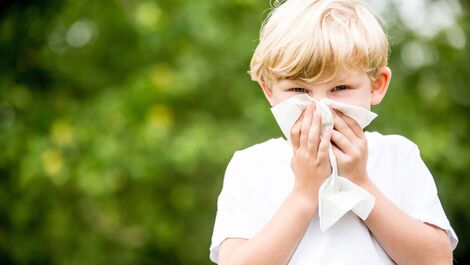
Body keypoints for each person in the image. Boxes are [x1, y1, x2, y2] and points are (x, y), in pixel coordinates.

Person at [209, 0, 458, 264]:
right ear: (269, 90)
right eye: (299, 91)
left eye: (340, 88)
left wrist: (360, 183)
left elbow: (437, 259)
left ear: (377, 85)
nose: (320, 107)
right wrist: (304, 193)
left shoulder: (398, 156)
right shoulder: (251, 166)